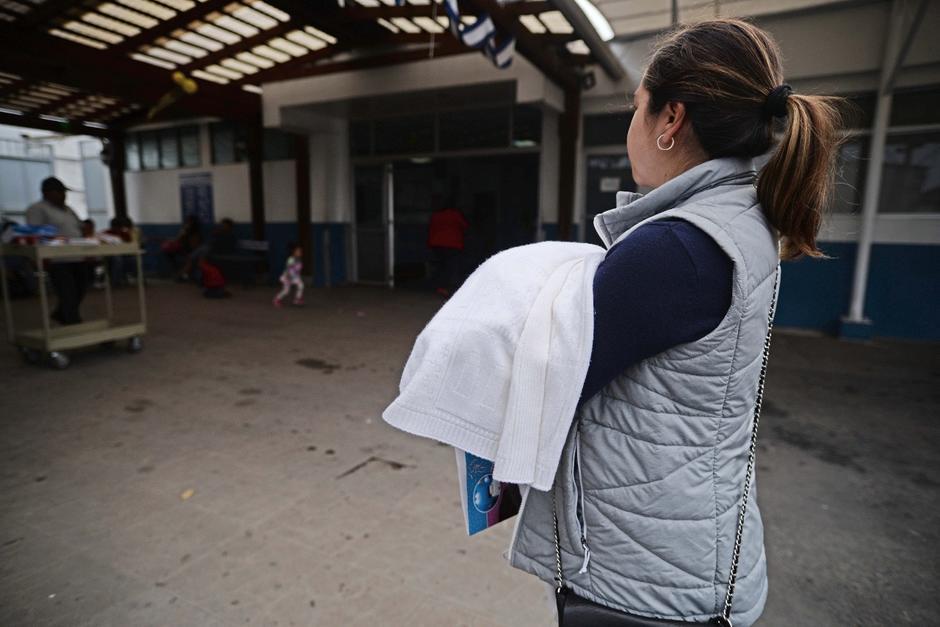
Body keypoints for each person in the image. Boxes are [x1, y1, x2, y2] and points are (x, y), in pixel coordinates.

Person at [507, 19, 843, 626]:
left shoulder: (674, 247)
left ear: (671, 119)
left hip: (642, 575)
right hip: (692, 546)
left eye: (637, 108)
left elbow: (545, 390)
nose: (630, 126)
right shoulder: (741, 220)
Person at [25, 177, 87, 325]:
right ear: (46, 193)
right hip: (57, 259)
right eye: (58, 192)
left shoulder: (68, 209)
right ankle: (72, 321)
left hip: (77, 256)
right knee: (67, 291)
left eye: (63, 192)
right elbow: (35, 233)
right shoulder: (37, 209)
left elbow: (79, 226)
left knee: (81, 287)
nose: (63, 195)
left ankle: (61, 313)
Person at [427, 203, 468, 296]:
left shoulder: (435, 216)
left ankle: (440, 287)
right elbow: (464, 226)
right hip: (453, 245)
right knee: (452, 267)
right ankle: (451, 288)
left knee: (441, 266)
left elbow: (431, 229)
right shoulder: (455, 215)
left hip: (437, 244)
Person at [273, 243, 304, 307]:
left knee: (301, 285)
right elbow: (288, 268)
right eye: (298, 251)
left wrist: (298, 277)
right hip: (288, 277)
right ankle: (276, 299)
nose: (300, 252)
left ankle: (297, 300)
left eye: (300, 251)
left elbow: (297, 271)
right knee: (286, 291)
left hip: (294, 277)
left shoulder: (299, 260)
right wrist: (288, 277)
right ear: (294, 252)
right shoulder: (291, 259)